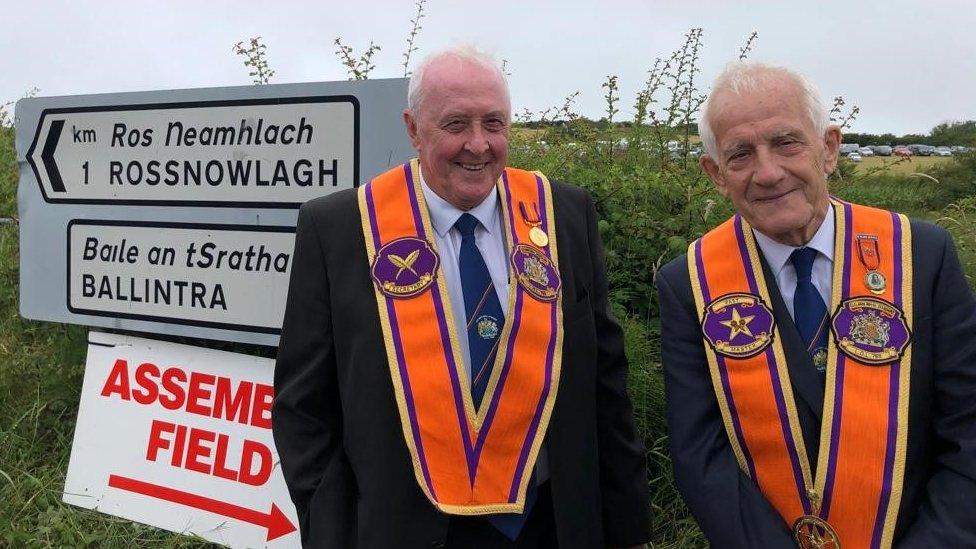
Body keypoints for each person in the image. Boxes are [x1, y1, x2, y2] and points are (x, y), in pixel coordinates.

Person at [273, 44, 651, 549]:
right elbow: (303, 407)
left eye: (494, 124)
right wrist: (333, 533)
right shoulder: (340, 229)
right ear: (413, 128)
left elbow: (606, 382)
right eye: (456, 125)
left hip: (551, 522)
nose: (479, 145)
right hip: (407, 530)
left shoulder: (562, 214)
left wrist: (626, 528)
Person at [657, 61, 976, 548]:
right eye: (740, 154)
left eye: (787, 142)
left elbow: (966, 429)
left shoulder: (920, 257)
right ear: (716, 174)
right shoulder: (689, 283)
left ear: (828, 148)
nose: (767, 172)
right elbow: (702, 456)